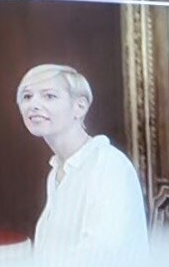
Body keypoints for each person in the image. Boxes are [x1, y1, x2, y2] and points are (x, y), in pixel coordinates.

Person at [16, 63, 149, 255]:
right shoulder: (57, 170)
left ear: (80, 106)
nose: (33, 105)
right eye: (27, 96)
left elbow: (100, 256)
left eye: (49, 96)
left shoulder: (108, 165)